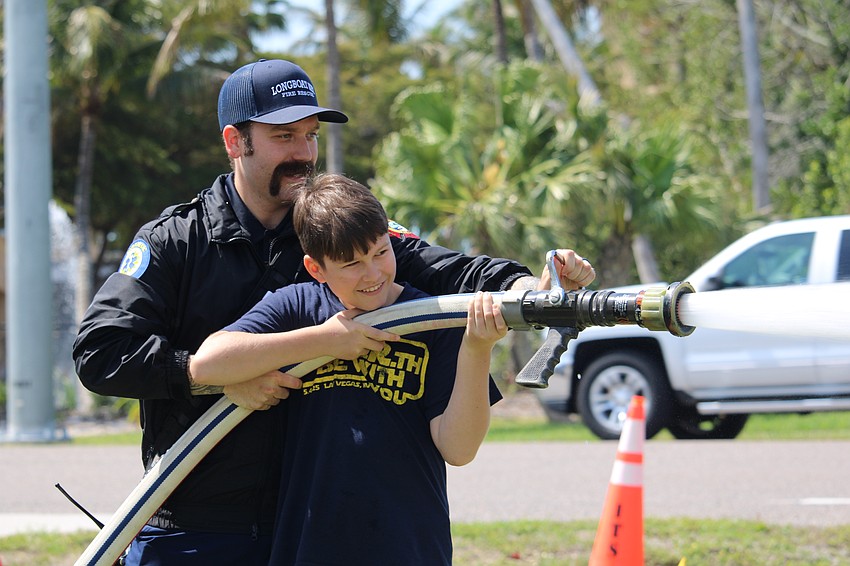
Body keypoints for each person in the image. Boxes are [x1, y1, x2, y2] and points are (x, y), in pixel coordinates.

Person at [73, 58, 595, 564]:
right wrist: (211, 379)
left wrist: (533, 287)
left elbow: (458, 273)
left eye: (311, 135)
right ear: (235, 142)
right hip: (194, 531)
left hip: (306, 532)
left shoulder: (347, 239)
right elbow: (101, 354)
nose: (304, 153)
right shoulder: (175, 241)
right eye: (284, 137)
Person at [190, 173, 507, 564]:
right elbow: (207, 363)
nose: (372, 274)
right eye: (352, 264)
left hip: (410, 550)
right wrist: (324, 340)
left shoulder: (431, 320)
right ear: (315, 268)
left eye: (380, 252)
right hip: (307, 551)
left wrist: (477, 347)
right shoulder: (298, 308)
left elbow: (459, 450)